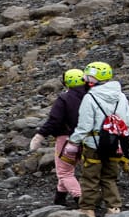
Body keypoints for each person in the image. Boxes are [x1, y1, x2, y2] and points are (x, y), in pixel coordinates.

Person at [70, 60, 129, 217]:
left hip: (94, 144)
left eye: (87, 76)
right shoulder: (120, 96)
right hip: (115, 143)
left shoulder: (90, 97)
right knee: (110, 177)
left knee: (90, 178)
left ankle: (88, 210)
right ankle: (114, 208)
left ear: (93, 78)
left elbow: (84, 125)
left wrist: (73, 142)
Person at [28, 67, 89, 207]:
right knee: (66, 171)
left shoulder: (65, 98)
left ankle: (80, 199)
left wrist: (40, 135)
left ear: (66, 82)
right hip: (90, 138)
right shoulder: (91, 96)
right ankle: (59, 199)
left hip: (68, 140)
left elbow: (54, 120)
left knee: (64, 172)